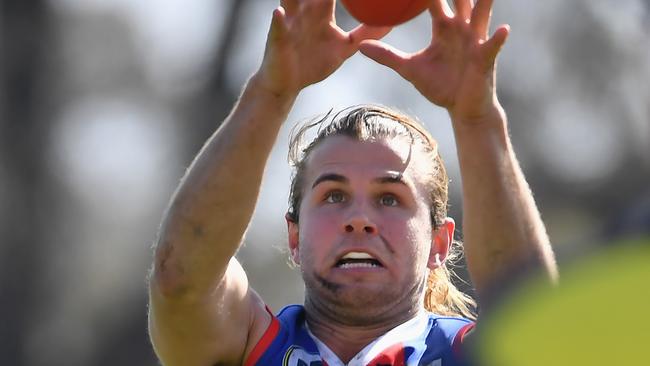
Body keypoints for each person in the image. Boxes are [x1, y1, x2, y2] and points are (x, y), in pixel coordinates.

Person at [147, 0, 559, 365]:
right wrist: (272, 91)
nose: (359, 219)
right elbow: (180, 281)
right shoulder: (249, 345)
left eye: (390, 198)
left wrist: (477, 120)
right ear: (294, 235)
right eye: (334, 195)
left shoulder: (472, 353)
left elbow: (537, 322)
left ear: (439, 242)